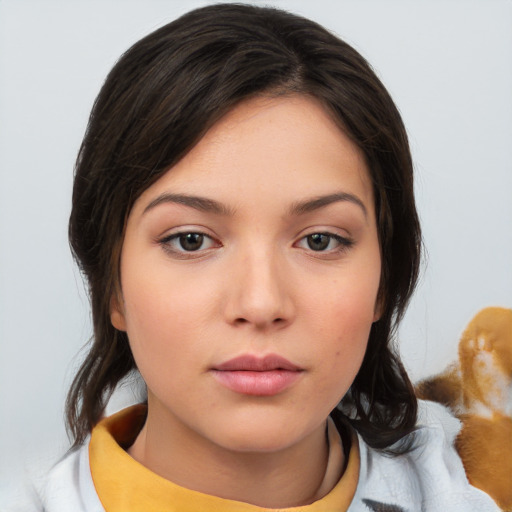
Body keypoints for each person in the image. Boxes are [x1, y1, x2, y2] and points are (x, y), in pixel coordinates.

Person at [30, 3, 499, 511]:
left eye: (320, 240)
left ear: (384, 280)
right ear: (112, 286)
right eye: (191, 240)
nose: (260, 303)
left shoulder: (476, 488)